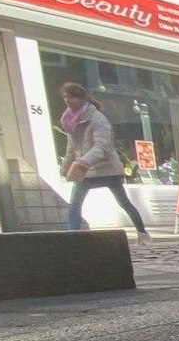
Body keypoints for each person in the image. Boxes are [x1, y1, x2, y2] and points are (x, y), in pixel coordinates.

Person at [57, 83, 150, 246]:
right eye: (64, 97)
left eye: (70, 97)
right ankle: (74, 240)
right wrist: (65, 168)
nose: (67, 100)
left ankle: (143, 234)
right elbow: (71, 148)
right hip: (85, 171)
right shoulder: (70, 120)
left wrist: (83, 162)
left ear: (80, 98)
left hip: (107, 170)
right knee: (74, 205)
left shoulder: (97, 118)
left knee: (123, 202)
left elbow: (103, 146)